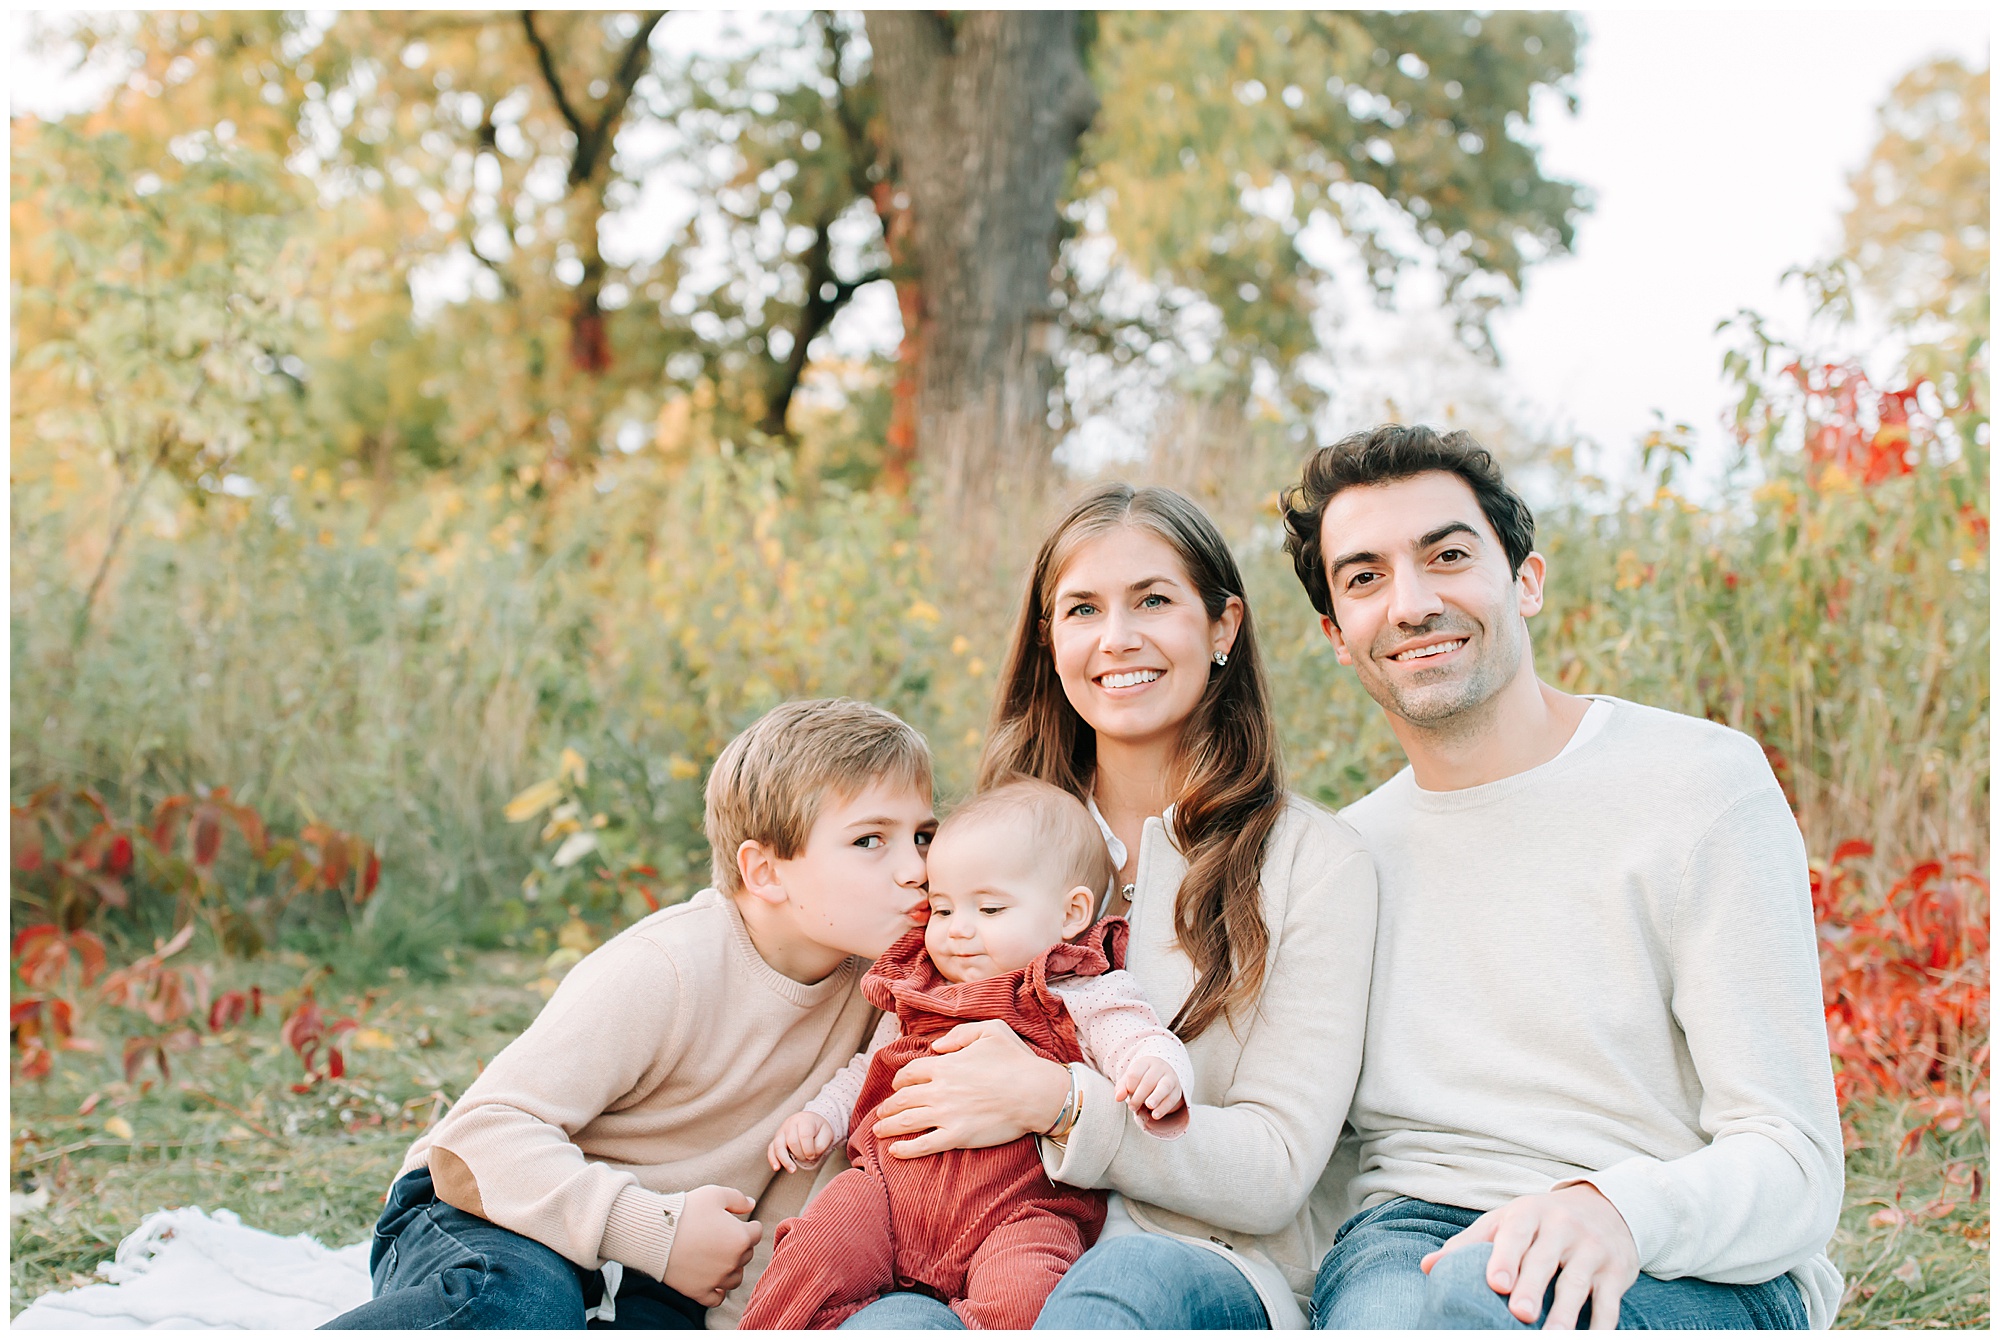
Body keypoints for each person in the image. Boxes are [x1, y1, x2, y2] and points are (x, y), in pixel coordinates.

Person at [1279, 425, 1843, 1330]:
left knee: (1483, 1304)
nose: (1412, 602)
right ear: (1339, 636)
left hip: (1676, 1248)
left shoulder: (1699, 786)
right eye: (1365, 578)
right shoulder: (1346, 857)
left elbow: (1796, 1162)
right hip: (1407, 1234)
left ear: (1526, 581)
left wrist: (1617, 1210)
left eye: (1448, 555)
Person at [838, 483, 1380, 1330]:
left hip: (1193, 1267)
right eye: (1083, 608)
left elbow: (1275, 1171)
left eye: (1154, 601)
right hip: (962, 1244)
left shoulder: (1314, 861)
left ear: (1222, 627)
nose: (1116, 638)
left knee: (1115, 1291)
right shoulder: (994, 843)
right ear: (1051, 639)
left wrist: (1057, 1101)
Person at [321, 698, 936, 1330]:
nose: (916, 869)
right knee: (527, 1301)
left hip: (662, 1276)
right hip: (495, 1213)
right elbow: (476, 1143)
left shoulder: (896, 988)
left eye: (923, 836)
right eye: (870, 840)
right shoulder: (668, 967)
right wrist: (653, 1234)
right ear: (764, 871)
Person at [740, 779, 1195, 1329]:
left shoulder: (1078, 989)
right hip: (888, 1191)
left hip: (1021, 1209)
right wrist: (822, 1116)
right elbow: (871, 1067)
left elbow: (1134, 1035)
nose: (958, 931)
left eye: (990, 908)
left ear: (1071, 913)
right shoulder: (919, 988)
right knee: (813, 1254)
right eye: (942, 909)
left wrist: (1156, 1067)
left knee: (1027, 1296)